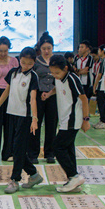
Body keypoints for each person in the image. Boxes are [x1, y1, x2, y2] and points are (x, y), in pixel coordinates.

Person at [0, 47, 43, 194]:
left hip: (25, 116)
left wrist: (34, 118)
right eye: (23, 62)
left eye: (29, 63)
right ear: (19, 59)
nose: (25, 65)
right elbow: (7, 91)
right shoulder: (13, 73)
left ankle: (15, 180)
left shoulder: (33, 76)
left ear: (34, 63)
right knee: (15, 149)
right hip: (11, 114)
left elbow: (33, 99)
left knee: (18, 149)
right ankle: (33, 174)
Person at [50, 54, 90, 193]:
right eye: (52, 72)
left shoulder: (72, 79)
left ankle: (74, 176)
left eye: (57, 72)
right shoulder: (59, 78)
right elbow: (59, 89)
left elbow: (84, 99)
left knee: (57, 147)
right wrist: (49, 94)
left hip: (72, 119)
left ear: (65, 68)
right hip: (64, 119)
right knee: (68, 148)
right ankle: (73, 180)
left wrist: (86, 120)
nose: (55, 75)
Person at [30, 34, 59, 163]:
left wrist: (50, 93)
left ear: (52, 47)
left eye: (49, 48)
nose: (46, 51)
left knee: (51, 124)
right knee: (36, 123)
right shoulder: (36, 62)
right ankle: (33, 153)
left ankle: (50, 153)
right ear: (40, 49)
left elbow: (61, 79)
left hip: (54, 96)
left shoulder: (57, 60)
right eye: (44, 49)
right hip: (38, 97)